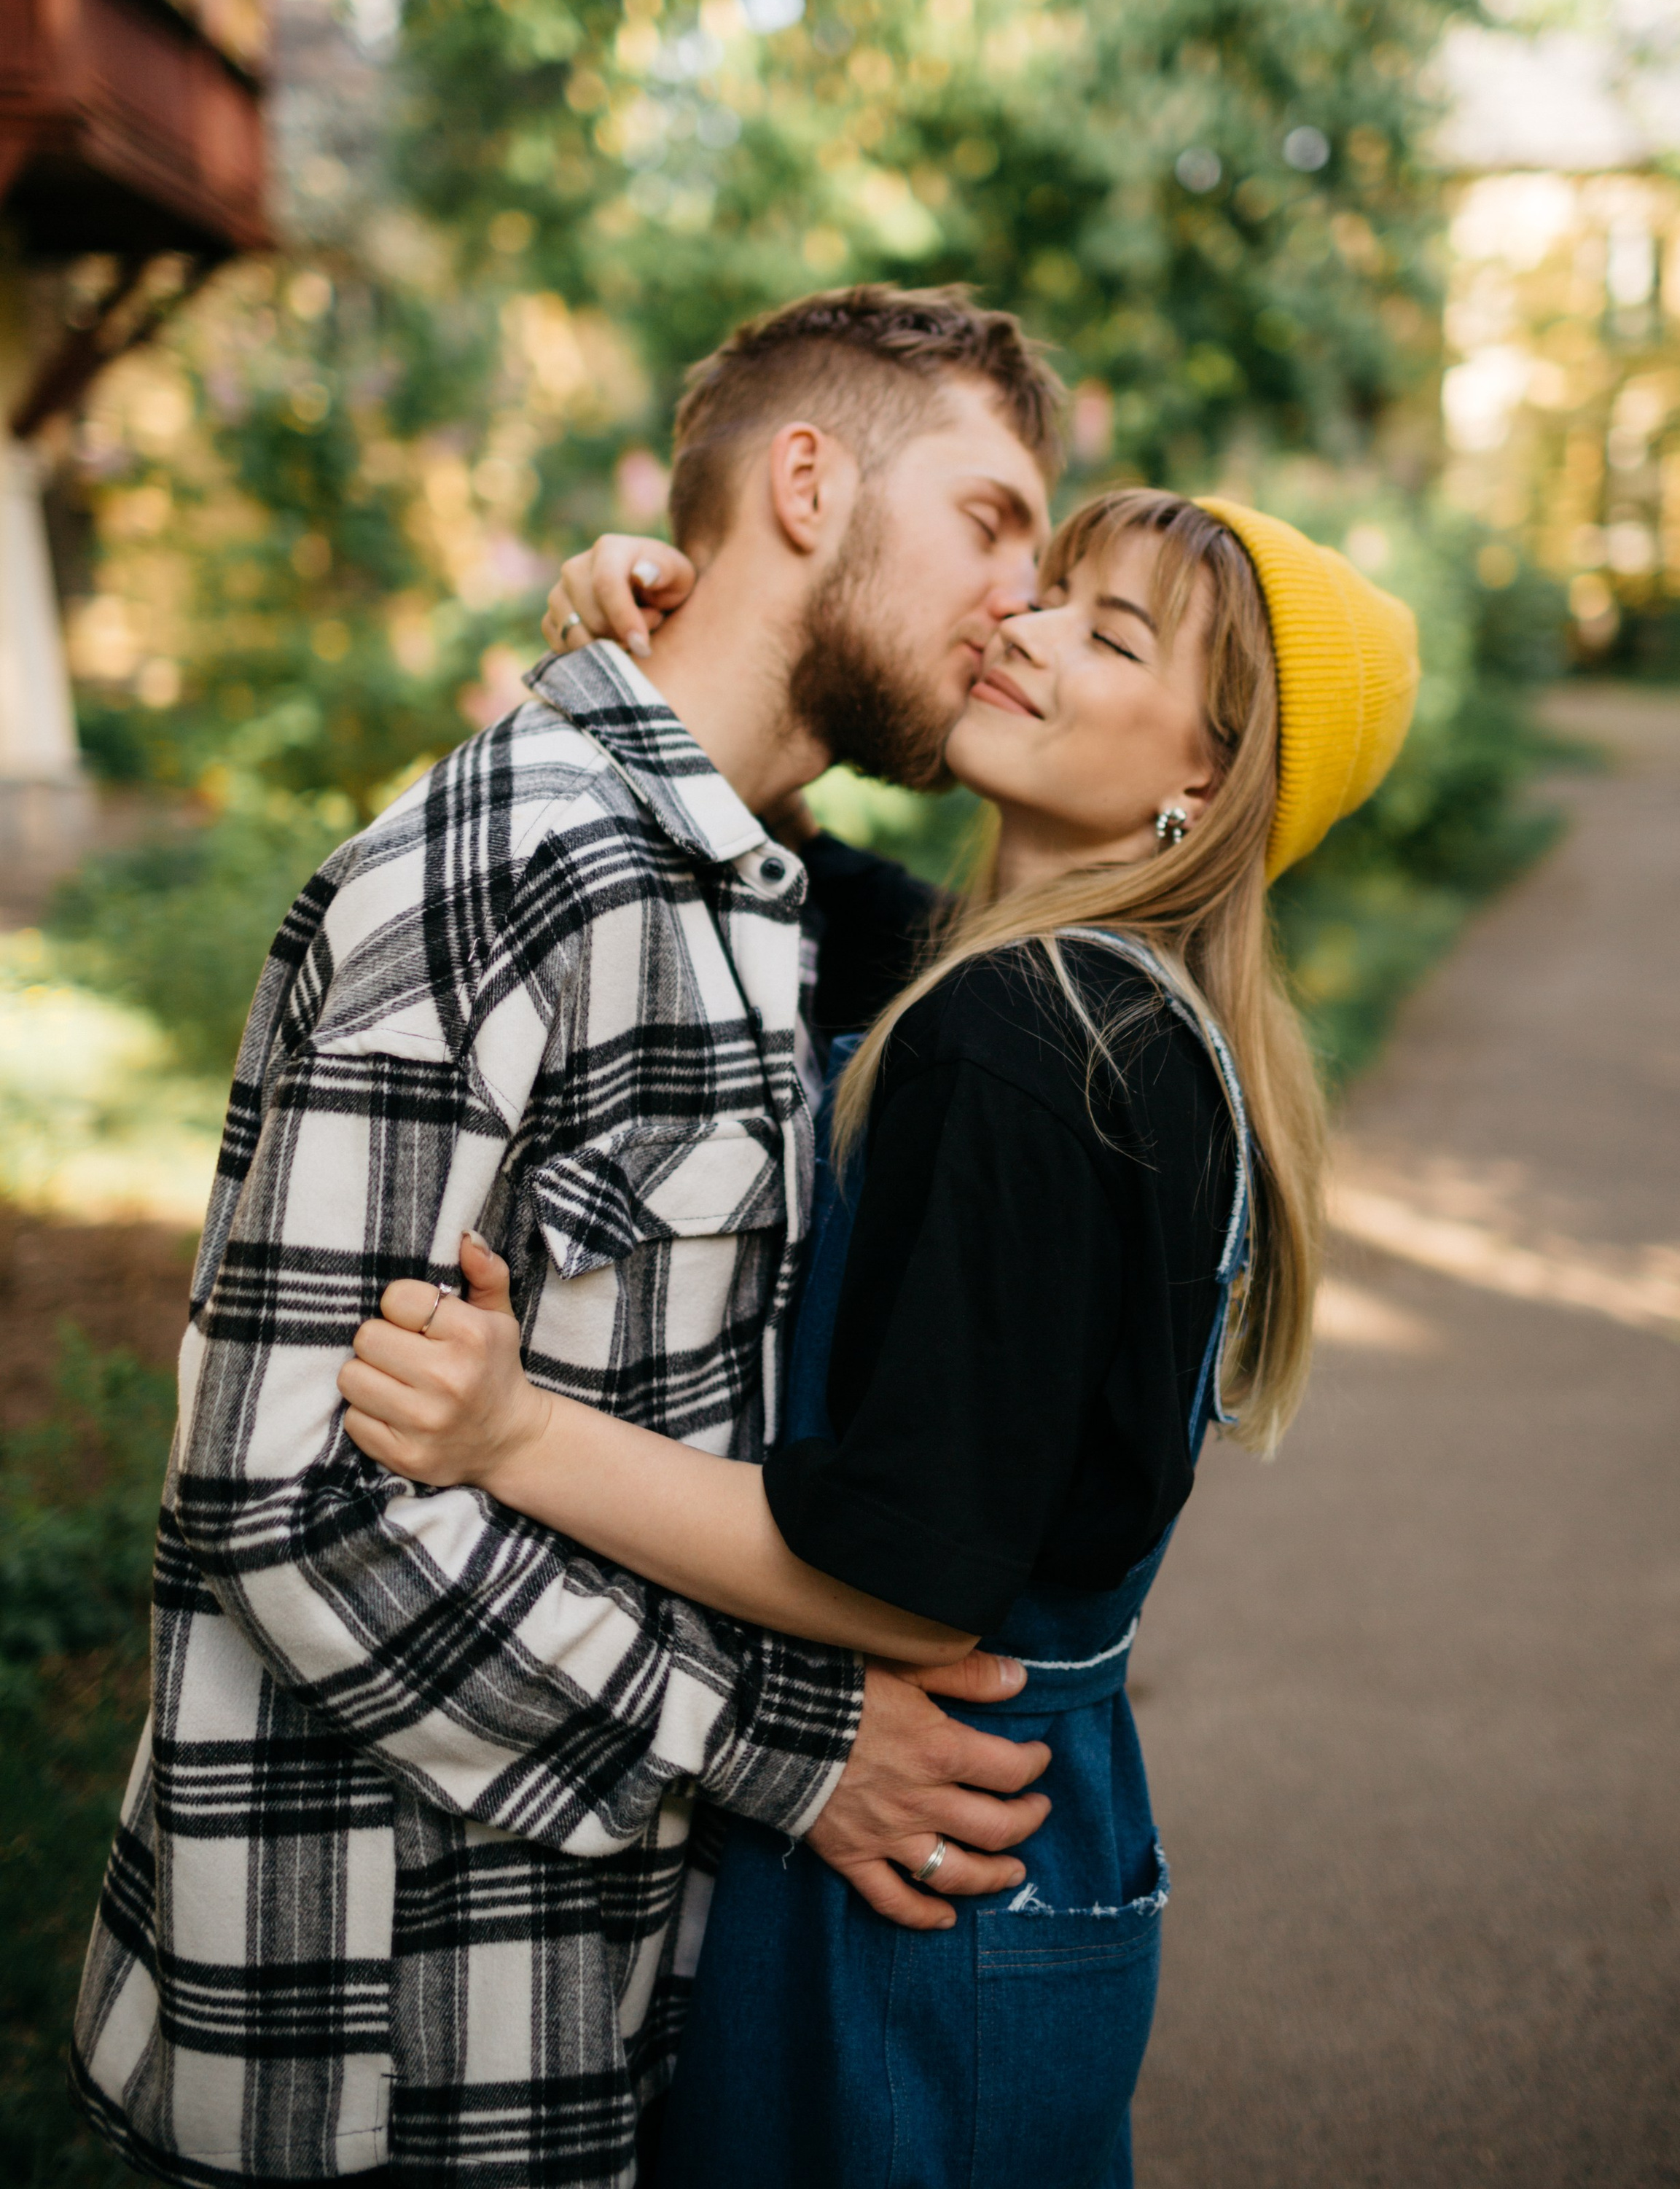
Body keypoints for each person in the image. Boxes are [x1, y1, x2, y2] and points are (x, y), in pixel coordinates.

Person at [71, 286, 1073, 2189]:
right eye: (991, 520)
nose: (1019, 601)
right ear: (804, 483)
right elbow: (291, 1505)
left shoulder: (753, 897)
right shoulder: (506, 868)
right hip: (366, 2048)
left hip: (581, 2000)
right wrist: (789, 1745)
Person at [334, 487, 1421, 2186]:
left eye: (1105, 633)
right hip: (1042, 1823)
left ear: (1202, 780)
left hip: (915, 1873)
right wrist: (650, 652)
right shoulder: (1097, 998)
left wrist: (512, 1436)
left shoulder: (1021, 1040)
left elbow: (910, 1567)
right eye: (1046, 593)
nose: (1024, 627)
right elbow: (783, 859)